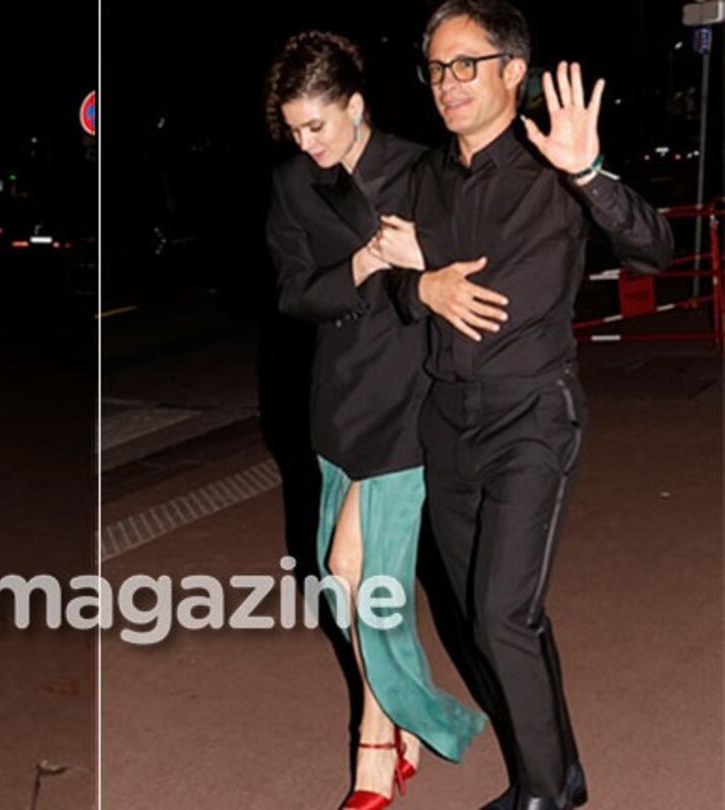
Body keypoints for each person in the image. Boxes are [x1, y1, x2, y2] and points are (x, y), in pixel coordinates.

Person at [387, 2, 674, 808]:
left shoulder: (553, 161)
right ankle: (563, 770)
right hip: (448, 422)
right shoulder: (427, 176)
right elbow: (395, 286)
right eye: (436, 68)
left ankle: (544, 795)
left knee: (501, 614)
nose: (448, 84)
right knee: (493, 620)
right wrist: (420, 284)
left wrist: (590, 174)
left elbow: (655, 246)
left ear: (515, 69)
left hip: (532, 417)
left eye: (465, 64)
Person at [264, 30, 487, 810]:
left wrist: (423, 255)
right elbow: (294, 293)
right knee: (343, 583)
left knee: (361, 577)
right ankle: (413, 721)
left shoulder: (423, 168)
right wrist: (361, 264)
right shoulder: (295, 184)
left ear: (355, 107)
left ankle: (378, 739)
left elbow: (471, 265)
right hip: (340, 401)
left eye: (317, 124)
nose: (306, 141)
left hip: (412, 394)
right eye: (294, 128)